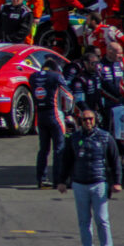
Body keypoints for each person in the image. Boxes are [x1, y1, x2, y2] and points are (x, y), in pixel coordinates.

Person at [57, 109, 122, 246]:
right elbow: (66, 161)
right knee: (84, 221)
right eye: (85, 119)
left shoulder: (105, 137)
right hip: (79, 184)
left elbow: (115, 161)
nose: (88, 122)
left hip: (99, 183)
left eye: (90, 119)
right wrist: (61, 181)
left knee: (102, 220)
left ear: (95, 120)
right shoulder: (74, 138)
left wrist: (117, 182)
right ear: (80, 121)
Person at [31, 58, 74, 188]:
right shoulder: (56, 76)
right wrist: (68, 111)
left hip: (40, 116)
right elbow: (69, 96)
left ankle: (41, 179)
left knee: (43, 150)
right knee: (59, 149)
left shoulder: (33, 77)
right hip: (55, 115)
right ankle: (58, 180)